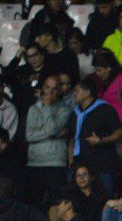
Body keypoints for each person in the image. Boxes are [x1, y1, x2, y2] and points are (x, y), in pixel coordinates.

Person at [69, 76, 122, 195]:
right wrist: (71, 159)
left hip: (102, 164)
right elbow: (72, 138)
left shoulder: (104, 109)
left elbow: (120, 132)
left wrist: (101, 140)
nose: (74, 94)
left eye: (77, 91)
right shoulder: (75, 113)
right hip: (81, 163)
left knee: (105, 196)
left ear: (87, 92)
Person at [26, 74, 71, 208]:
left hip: (56, 162)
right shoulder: (33, 109)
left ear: (60, 90)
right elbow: (29, 136)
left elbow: (50, 130)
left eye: (55, 88)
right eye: (47, 87)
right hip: (34, 162)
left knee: (56, 205)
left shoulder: (65, 110)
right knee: (34, 205)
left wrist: (47, 107)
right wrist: (55, 135)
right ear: (42, 88)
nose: (50, 92)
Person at [92, 48, 122, 129]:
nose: (97, 74)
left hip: (120, 127)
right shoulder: (103, 82)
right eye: (96, 70)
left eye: (99, 70)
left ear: (109, 68)